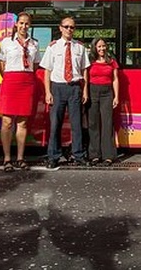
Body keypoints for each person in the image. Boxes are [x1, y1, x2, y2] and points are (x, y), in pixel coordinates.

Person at [42, 16, 90, 169]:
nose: (69, 30)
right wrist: (48, 92)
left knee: (76, 125)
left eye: (72, 27)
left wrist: (85, 91)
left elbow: (84, 71)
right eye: (67, 26)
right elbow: (47, 71)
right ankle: (53, 156)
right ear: (60, 28)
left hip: (75, 87)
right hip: (58, 87)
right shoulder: (53, 47)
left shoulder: (80, 47)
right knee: (55, 124)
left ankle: (78, 154)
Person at [0, 12, 41, 172]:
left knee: (22, 122)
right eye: (21, 23)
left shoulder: (34, 44)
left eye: (27, 24)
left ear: (30, 25)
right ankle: (7, 158)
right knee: (7, 122)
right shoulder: (7, 42)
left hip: (27, 81)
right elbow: (1, 63)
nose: (23, 26)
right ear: (16, 24)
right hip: (10, 81)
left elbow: (35, 65)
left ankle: (20, 157)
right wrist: (9, 77)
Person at [86, 37, 119, 166]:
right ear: (94, 48)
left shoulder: (111, 61)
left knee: (107, 123)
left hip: (107, 93)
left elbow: (115, 79)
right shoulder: (90, 61)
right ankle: (94, 155)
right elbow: (86, 77)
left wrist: (116, 96)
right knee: (93, 124)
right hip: (92, 91)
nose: (101, 49)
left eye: (103, 46)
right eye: (99, 46)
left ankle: (108, 155)